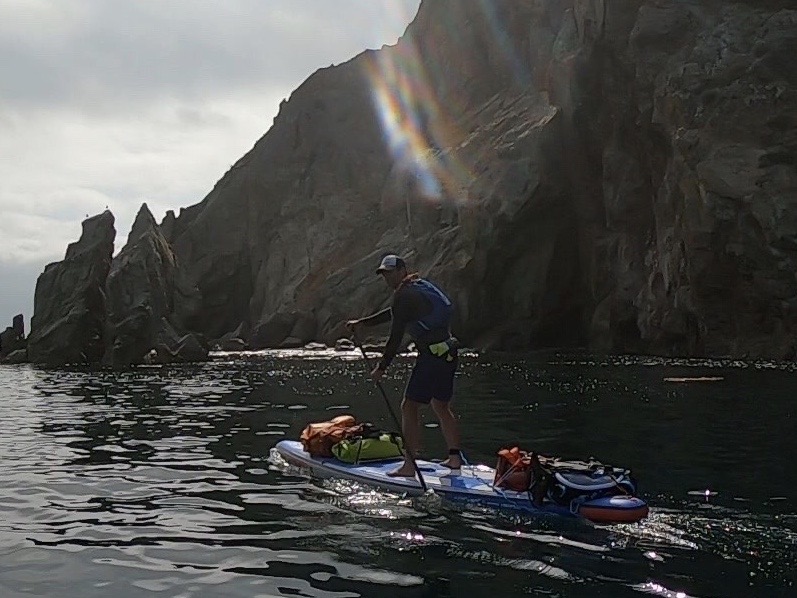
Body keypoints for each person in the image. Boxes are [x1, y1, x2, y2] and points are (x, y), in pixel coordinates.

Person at [347, 254, 462, 477]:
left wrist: (381, 368)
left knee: (409, 407)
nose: (387, 278)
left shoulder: (404, 296)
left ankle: (409, 466)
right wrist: (363, 323)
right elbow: (394, 314)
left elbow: (395, 337)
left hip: (431, 357)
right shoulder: (418, 287)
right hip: (448, 352)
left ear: (402, 270)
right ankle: (455, 459)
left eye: (390, 273)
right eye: (384, 274)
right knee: (441, 406)